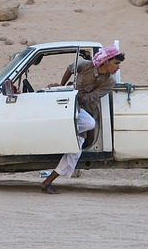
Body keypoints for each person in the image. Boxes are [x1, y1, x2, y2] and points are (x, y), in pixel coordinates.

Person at [40, 44, 125, 194]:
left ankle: (47, 181)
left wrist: (76, 96)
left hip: (82, 111)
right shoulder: (85, 66)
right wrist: (62, 87)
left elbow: (92, 98)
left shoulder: (109, 82)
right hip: (65, 108)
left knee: (77, 148)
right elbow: (70, 68)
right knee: (84, 130)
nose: (118, 67)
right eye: (116, 63)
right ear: (106, 61)